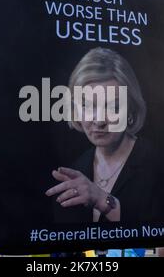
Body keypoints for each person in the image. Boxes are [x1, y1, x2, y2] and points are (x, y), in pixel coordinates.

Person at [46, 47, 147, 223]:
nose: (99, 120)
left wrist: (102, 200)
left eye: (113, 107)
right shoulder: (74, 171)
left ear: (131, 110)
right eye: (88, 106)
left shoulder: (161, 164)